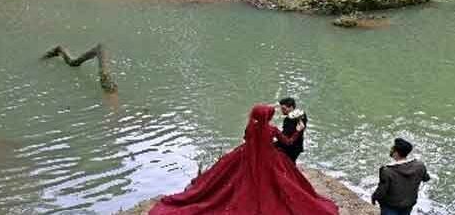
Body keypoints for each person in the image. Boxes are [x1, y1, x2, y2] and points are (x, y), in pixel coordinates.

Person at [149, 104, 338, 215]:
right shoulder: (271, 130)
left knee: (224, 180)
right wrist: (298, 132)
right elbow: (287, 142)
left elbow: (247, 139)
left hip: (246, 155)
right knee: (283, 182)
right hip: (269, 159)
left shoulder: (251, 127)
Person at [372, 138, 430, 215]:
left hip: (390, 206)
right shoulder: (420, 166)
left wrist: (374, 197)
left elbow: (382, 191)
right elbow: (426, 178)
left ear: (396, 152)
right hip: (408, 204)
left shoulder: (387, 171)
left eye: (393, 148)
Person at [276, 97, 307, 163]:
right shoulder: (302, 115)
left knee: (288, 164)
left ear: (291, 107)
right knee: (291, 164)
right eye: (281, 108)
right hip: (298, 145)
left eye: (284, 109)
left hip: (290, 147)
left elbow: (286, 135)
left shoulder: (288, 120)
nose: (282, 111)